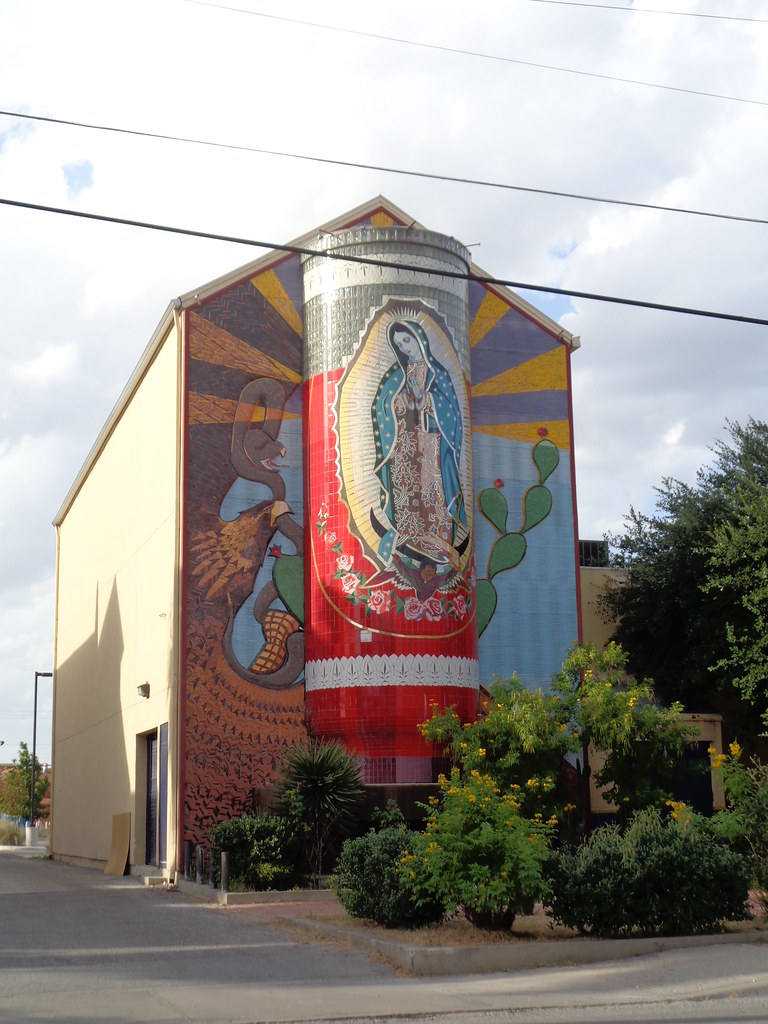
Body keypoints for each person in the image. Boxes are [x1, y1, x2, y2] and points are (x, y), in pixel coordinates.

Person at [371, 320, 466, 572]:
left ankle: (438, 543)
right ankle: (409, 537)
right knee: (407, 487)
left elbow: (452, 414)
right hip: (404, 443)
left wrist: (426, 399)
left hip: (431, 442)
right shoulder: (395, 375)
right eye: (400, 344)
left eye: (407, 340)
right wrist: (400, 402)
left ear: (419, 339)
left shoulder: (438, 373)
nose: (405, 347)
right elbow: (381, 406)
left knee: (431, 490)